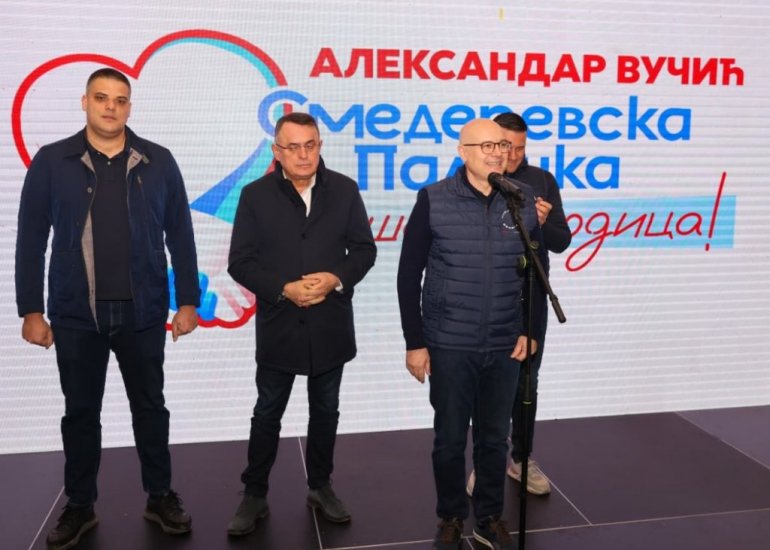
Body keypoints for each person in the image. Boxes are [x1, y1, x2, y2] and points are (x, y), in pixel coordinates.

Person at [15, 68, 200, 550]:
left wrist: (187, 300)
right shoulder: (52, 161)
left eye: (120, 100)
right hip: (76, 314)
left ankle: (160, 496)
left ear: (129, 107)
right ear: (85, 102)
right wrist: (31, 309)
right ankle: (80, 505)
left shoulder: (159, 160)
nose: (110, 107)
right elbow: (31, 238)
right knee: (80, 413)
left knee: (151, 408)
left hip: (144, 312)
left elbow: (181, 233)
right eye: (101, 98)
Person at [397, 118, 546, 550]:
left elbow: (536, 274)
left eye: (502, 145)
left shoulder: (521, 199)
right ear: (463, 152)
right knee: (448, 439)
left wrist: (530, 330)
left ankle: (489, 518)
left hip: (504, 342)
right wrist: (415, 342)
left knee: (494, 439)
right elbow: (408, 275)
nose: (497, 153)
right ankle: (450, 517)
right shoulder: (434, 199)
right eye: (487, 146)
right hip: (449, 342)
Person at [226, 112, 376, 535]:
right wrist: (283, 288)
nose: (303, 154)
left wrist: (336, 278)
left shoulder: (344, 190)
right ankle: (254, 494)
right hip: (280, 323)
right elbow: (240, 262)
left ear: (320, 146)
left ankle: (320, 486)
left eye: (310, 145)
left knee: (325, 410)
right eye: (293, 147)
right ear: (277, 152)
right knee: (267, 411)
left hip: (330, 323)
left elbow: (364, 250)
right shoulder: (255, 195)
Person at [466, 112, 571, 498]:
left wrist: (542, 221)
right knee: (487, 382)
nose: (511, 155)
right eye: (506, 146)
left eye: (520, 148)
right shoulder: (476, 178)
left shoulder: (541, 181)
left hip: (531, 298)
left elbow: (561, 241)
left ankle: (522, 459)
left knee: (527, 381)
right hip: (487, 299)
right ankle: (485, 462)